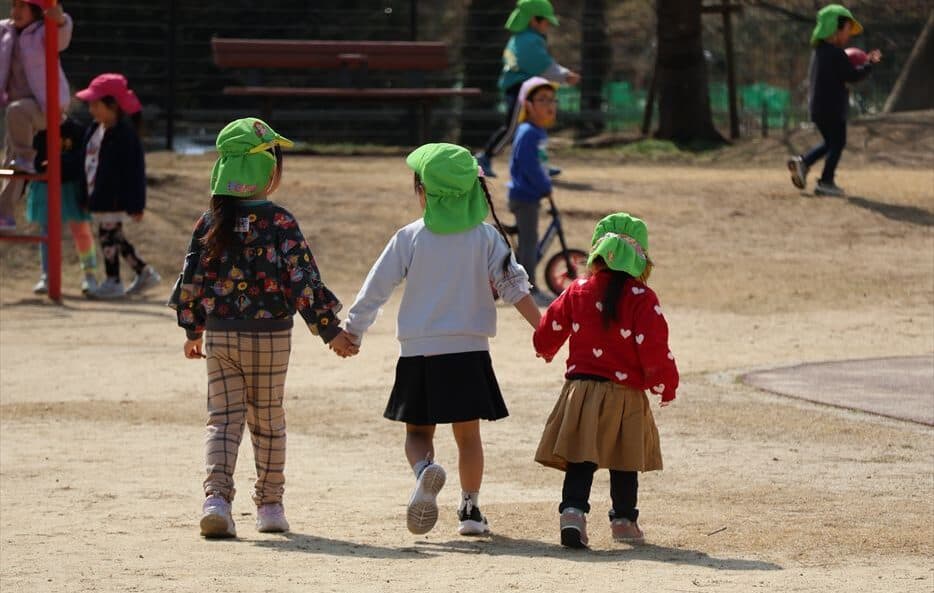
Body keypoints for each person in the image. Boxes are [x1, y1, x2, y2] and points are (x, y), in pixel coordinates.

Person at [336, 143, 541, 536]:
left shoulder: (410, 237)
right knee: (469, 437)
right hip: (469, 351)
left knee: (417, 434)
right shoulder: (487, 237)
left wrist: (353, 330)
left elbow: (376, 287)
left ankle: (425, 471)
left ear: (422, 191)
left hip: (420, 352)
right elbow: (515, 286)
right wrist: (546, 330)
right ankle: (470, 510)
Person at [168, 117, 347, 538]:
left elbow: (190, 280)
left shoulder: (209, 223)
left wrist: (192, 330)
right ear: (268, 172)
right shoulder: (281, 223)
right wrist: (330, 330)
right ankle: (269, 505)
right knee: (267, 419)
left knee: (222, 420)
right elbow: (304, 282)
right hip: (269, 338)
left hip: (221, 334)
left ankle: (216, 499)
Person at [533, 212, 679, 549]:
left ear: (597, 254)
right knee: (624, 458)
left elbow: (549, 329)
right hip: (624, 392)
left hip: (581, 390)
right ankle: (624, 521)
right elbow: (655, 347)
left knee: (580, 457)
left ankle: (572, 513)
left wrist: (544, 347)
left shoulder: (577, 290)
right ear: (640, 258)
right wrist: (664, 383)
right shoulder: (643, 298)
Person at [75, 73, 160, 298]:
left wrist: (136, 204)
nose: (91, 109)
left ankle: (113, 279)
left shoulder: (125, 135)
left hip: (114, 198)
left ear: (112, 105)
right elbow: (87, 163)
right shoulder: (94, 129)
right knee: (114, 236)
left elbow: (135, 173)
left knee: (107, 236)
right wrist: (84, 195)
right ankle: (143, 272)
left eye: (96, 103)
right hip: (98, 196)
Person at [474, 0, 579, 178]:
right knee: (513, 128)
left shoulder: (522, 38)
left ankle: (537, 163)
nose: (548, 25)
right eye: (546, 21)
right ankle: (485, 157)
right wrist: (565, 75)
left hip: (527, 89)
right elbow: (542, 65)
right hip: (521, 89)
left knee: (532, 128)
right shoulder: (529, 40)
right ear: (534, 20)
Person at [787, 4, 881, 196]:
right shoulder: (836, 53)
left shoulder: (819, 52)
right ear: (834, 29)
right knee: (838, 142)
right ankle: (826, 181)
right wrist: (869, 64)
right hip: (832, 107)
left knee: (831, 142)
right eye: (847, 30)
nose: (849, 35)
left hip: (817, 107)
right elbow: (852, 75)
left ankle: (803, 162)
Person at [0, 0, 73, 231]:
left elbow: (62, 37)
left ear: (36, 11)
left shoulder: (43, 31)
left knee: (19, 156)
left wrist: (60, 20)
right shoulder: (6, 31)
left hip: (46, 107)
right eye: (14, 6)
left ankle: (24, 158)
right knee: (11, 165)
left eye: (23, 7)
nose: (16, 12)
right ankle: (5, 215)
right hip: (18, 113)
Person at [26, 116, 97, 294]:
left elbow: (83, 157)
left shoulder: (78, 130)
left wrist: (61, 162)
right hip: (45, 185)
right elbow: (32, 157)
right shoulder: (38, 128)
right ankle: (46, 275)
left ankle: (89, 275)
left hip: (71, 185)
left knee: (81, 230)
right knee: (46, 231)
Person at [508, 76, 558, 304]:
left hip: (530, 194)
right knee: (529, 243)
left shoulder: (536, 131)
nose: (549, 105)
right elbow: (528, 165)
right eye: (542, 99)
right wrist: (544, 184)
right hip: (525, 195)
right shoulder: (529, 131)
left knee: (530, 241)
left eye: (552, 100)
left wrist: (548, 173)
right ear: (528, 105)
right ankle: (528, 289)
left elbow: (538, 162)